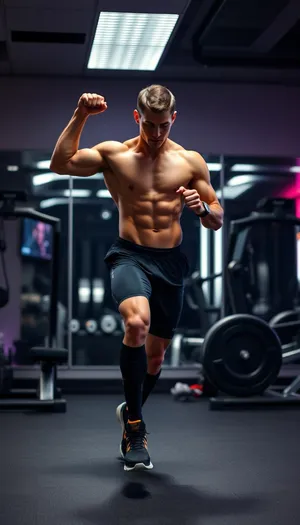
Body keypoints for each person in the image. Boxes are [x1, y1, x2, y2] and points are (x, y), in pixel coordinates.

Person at [50, 85, 223, 471]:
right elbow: (60, 164)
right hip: (129, 255)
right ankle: (134, 427)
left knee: (156, 356)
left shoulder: (190, 162)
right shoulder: (116, 154)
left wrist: (201, 210)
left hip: (171, 262)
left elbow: (216, 219)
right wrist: (80, 114)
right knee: (136, 323)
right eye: (149, 124)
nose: (157, 133)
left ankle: (131, 407)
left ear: (173, 119)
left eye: (163, 125)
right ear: (136, 117)